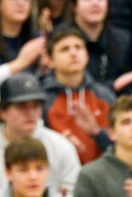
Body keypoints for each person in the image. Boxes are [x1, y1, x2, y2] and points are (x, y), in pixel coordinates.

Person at [0, 73, 81, 197]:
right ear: (2, 112)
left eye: (36, 106)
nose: (30, 113)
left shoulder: (60, 146)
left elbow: (74, 194)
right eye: (21, 107)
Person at [41, 25, 116, 165]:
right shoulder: (43, 100)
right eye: (65, 49)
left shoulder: (104, 96)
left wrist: (97, 133)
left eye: (78, 47)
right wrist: (61, 147)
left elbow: (121, 146)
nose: (73, 53)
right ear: (50, 60)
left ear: (87, 55)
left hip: (103, 174)